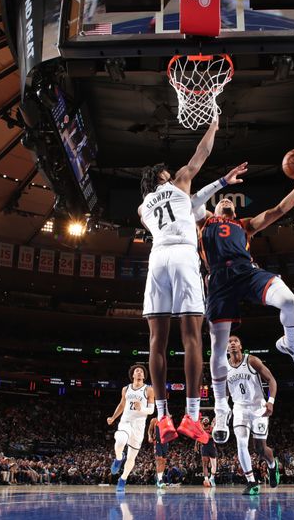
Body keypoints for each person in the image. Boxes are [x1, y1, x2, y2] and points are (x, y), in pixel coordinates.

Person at [199, 157, 294, 444]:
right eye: (222, 201)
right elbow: (190, 201)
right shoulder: (203, 221)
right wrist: (222, 181)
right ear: (214, 208)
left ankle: (290, 343)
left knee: (289, 302)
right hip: (218, 280)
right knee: (217, 349)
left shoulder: (245, 225)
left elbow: (278, 209)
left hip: (247, 273)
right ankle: (220, 407)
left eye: (231, 202)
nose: (227, 202)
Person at [138, 120, 218, 445]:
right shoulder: (182, 182)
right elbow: (202, 152)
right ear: (164, 176)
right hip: (184, 256)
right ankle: (193, 417)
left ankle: (162, 417)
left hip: (157, 259)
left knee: (157, 341)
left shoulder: (142, 207)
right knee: (192, 338)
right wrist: (214, 122)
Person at [224, 335, 280, 495]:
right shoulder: (224, 367)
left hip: (258, 407)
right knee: (241, 443)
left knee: (260, 449)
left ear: (240, 345)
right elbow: (225, 393)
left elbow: (271, 380)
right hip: (240, 408)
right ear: (227, 348)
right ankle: (252, 482)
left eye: (235, 341)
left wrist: (271, 401)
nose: (232, 343)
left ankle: (272, 466)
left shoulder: (252, 361)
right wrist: (221, 413)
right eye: (229, 342)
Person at [107, 364, 155, 493]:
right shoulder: (125, 389)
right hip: (126, 421)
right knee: (121, 440)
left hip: (139, 426)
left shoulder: (149, 389)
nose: (139, 372)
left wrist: (142, 408)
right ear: (133, 375)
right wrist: (113, 417)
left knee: (131, 458)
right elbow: (122, 404)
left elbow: (151, 410)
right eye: (136, 371)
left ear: (144, 376)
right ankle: (118, 458)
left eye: (141, 371)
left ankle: (123, 479)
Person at [147, 416, 168, 489]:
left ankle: (160, 478)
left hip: (165, 441)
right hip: (157, 442)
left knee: (163, 461)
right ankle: (160, 480)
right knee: (159, 459)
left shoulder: (167, 419)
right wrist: (149, 437)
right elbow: (149, 430)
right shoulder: (154, 420)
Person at [197, 417, 217, 487]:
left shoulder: (212, 427)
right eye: (204, 419)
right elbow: (198, 437)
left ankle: (212, 478)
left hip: (212, 446)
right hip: (204, 446)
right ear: (202, 422)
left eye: (207, 419)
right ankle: (206, 479)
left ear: (208, 421)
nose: (205, 420)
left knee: (214, 466)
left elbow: (213, 436)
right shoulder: (200, 428)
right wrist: (196, 445)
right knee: (205, 464)